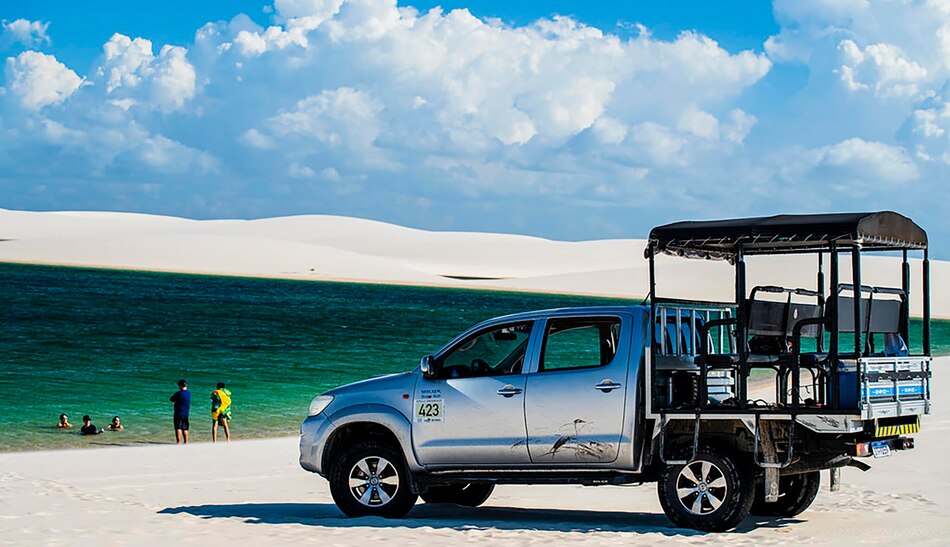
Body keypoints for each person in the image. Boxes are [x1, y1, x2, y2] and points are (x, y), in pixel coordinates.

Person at [169, 379, 191, 444]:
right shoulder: (189, 393)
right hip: (186, 413)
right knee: (185, 428)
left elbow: (171, 399)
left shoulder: (178, 393)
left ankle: (178, 442)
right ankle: (186, 442)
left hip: (178, 413)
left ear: (180, 386)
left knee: (178, 427)